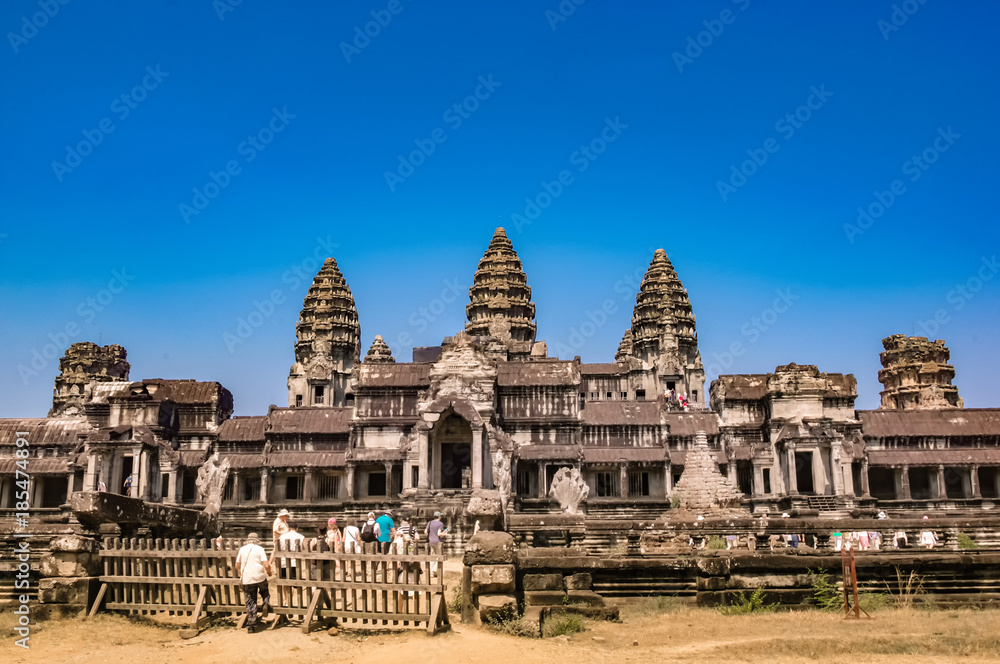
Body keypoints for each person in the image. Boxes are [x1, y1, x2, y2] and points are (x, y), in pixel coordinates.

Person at [235, 532, 273, 634]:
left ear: (248, 540)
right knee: (264, 589)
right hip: (259, 576)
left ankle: (251, 625)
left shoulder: (242, 549)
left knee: (250, 600)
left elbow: (237, 566)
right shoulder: (260, 549)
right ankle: (266, 602)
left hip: (247, 579)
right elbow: (266, 564)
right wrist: (269, 572)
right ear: (257, 540)